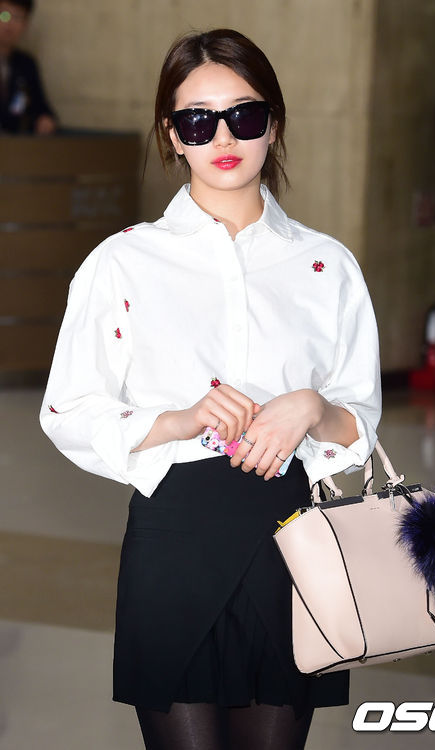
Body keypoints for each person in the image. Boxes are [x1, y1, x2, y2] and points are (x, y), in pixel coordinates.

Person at [39, 29, 381, 750]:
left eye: (244, 115)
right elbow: (67, 409)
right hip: (175, 535)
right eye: (198, 120)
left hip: (294, 539)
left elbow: (361, 424)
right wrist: (177, 419)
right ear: (173, 135)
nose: (223, 137)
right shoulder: (123, 262)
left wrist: (312, 409)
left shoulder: (326, 266)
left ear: (273, 124)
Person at [0, 0, 57, 134]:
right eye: (4, 15)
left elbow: (41, 108)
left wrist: (45, 120)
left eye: (17, 17)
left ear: (25, 24)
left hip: (14, 142)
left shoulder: (26, 64)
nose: (9, 24)